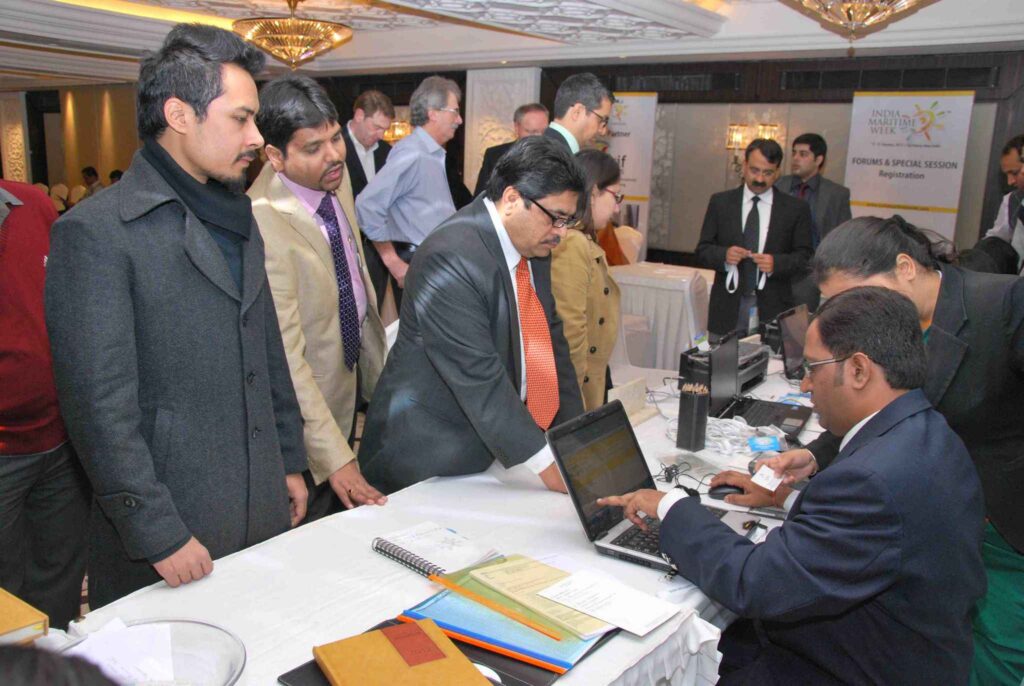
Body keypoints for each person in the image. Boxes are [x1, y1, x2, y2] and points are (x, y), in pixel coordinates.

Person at [44, 23, 308, 608]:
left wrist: (289, 461)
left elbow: (266, 350)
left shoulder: (238, 215)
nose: (256, 137)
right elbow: (98, 407)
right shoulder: (96, 232)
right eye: (241, 118)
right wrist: (158, 530)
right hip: (170, 531)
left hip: (258, 501)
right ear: (179, 115)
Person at [600, 286, 986, 685]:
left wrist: (672, 507)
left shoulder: (872, 479)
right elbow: (867, 537)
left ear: (859, 370)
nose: (805, 386)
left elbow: (754, 582)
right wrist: (782, 498)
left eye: (813, 368)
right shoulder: (929, 432)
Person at [723, 216, 1024, 686]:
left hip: (1004, 526)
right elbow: (886, 407)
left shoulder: (1004, 305)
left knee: (996, 660)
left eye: (855, 295)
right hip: (930, 528)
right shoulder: (894, 327)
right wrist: (818, 455)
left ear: (905, 268)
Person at [359, 136, 585, 494]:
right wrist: (550, 467)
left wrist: (577, 442)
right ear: (512, 199)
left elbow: (551, 347)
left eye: (569, 221)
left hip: (495, 450)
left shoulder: (534, 244)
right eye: (556, 218)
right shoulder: (451, 255)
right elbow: (478, 374)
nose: (561, 233)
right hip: (428, 460)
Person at [250, 74, 388, 520]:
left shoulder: (334, 178)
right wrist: (335, 457)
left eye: (335, 138)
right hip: (308, 413)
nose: (333, 155)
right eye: (313, 147)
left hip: (352, 376)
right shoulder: (261, 222)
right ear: (275, 156)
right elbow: (287, 358)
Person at [0, 180, 90, 629]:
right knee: (5, 594)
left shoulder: (32, 205)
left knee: (60, 577)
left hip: (60, 439)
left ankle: (51, 661)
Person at [356, 76, 461, 313]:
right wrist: (393, 262)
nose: (459, 119)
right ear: (433, 113)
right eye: (454, 112)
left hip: (434, 263)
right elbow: (367, 205)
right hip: (419, 264)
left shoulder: (431, 154)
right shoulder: (413, 153)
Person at [696, 138, 813, 336]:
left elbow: (805, 258)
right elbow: (702, 250)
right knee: (721, 356)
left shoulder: (796, 209)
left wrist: (776, 263)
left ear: (778, 172)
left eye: (767, 173)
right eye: (754, 170)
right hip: (727, 307)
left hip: (774, 308)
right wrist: (724, 255)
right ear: (744, 166)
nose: (759, 179)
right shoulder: (720, 203)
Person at [550, 149, 621, 410]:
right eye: (615, 196)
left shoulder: (584, 239)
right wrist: (574, 408)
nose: (617, 207)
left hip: (591, 380)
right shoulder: (573, 243)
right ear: (593, 192)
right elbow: (570, 334)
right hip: (578, 388)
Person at [776, 133, 851, 310]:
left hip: (810, 276)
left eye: (803, 154)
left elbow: (843, 238)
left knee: (800, 324)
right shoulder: (778, 186)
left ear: (818, 160)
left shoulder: (836, 194)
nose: (795, 159)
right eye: (794, 153)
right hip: (777, 269)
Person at [342, 90, 394, 309]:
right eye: (377, 127)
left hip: (377, 249)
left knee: (374, 311)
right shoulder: (335, 147)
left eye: (385, 129)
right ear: (359, 115)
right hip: (345, 248)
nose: (381, 135)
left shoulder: (386, 152)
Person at [474, 103, 549, 196]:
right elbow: (481, 197)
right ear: (517, 128)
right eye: (532, 132)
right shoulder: (494, 156)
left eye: (544, 131)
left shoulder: (556, 158)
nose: (539, 137)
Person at [982, 134, 1024, 274]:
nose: (1010, 181)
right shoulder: (1012, 200)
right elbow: (996, 240)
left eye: (1014, 173)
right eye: (1006, 174)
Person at [544, 73, 612, 154]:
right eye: (602, 121)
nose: (603, 131)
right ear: (577, 112)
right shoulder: (555, 156)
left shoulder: (544, 148)